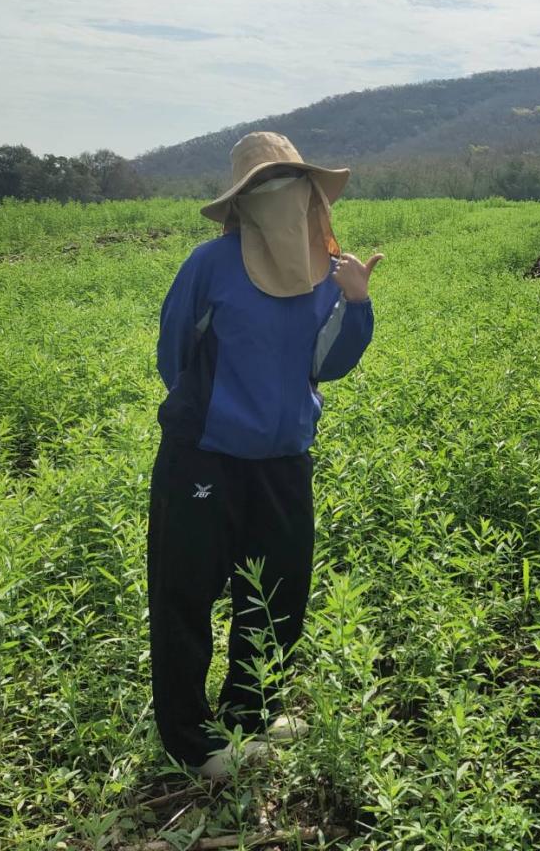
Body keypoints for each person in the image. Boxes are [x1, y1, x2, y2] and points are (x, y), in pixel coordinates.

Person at [148, 131, 383, 779]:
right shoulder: (209, 265)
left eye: (294, 188)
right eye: (268, 190)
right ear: (243, 204)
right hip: (205, 457)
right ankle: (193, 744)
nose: (286, 203)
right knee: (185, 595)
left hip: (284, 460)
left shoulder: (326, 275)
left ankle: (250, 717)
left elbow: (325, 363)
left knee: (277, 594)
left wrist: (357, 302)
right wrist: (214, 414)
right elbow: (175, 354)